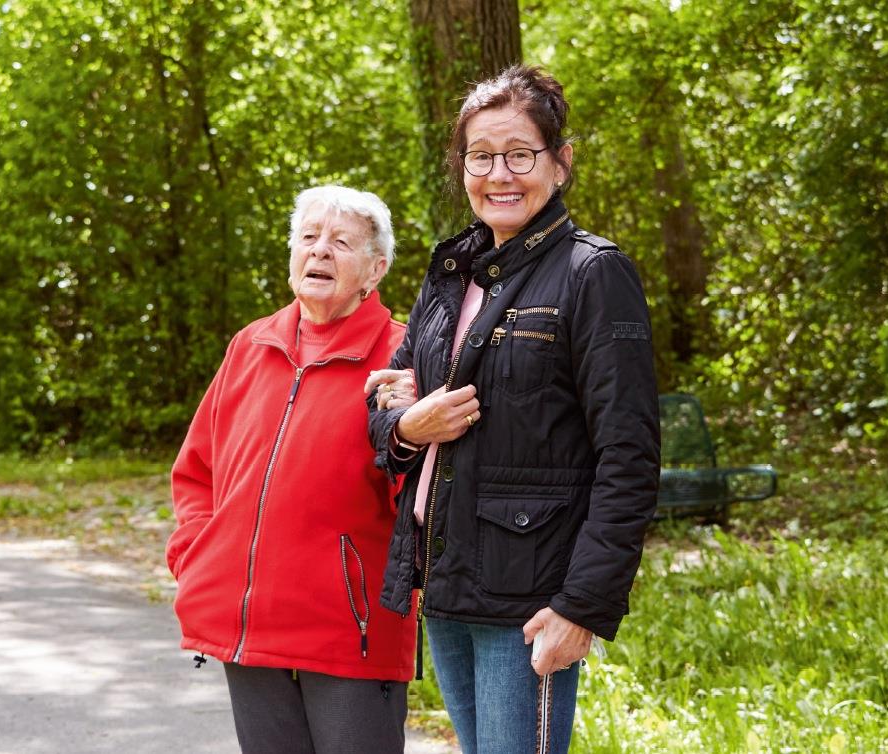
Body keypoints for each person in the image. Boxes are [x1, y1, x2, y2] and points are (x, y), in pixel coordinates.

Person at [365, 65, 660, 754]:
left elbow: (630, 454)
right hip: (446, 580)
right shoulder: (452, 272)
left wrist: (581, 606)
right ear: (462, 168)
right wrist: (407, 425)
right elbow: (387, 399)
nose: (501, 173)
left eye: (520, 154)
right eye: (481, 156)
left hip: (530, 599)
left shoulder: (594, 273)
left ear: (559, 163)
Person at [167, 185, 416, 754]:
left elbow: (421, 490)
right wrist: (195, 552)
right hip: (245, 620)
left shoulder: (403, 356)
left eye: (340, 243)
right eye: (308, 238)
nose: (320, 252)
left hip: (349, 628)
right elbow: (196, 470)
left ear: (375, 269)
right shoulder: (250, 344)